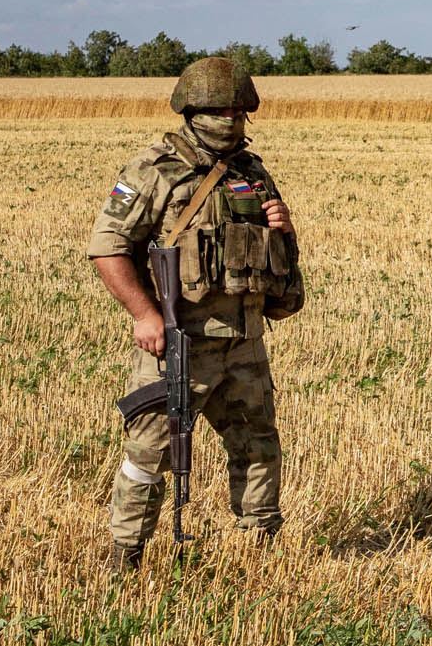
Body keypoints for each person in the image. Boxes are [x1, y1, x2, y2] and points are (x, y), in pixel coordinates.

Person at [87, 57, 304, 570]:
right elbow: (108, 246)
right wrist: (144, 315)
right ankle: (125, 557)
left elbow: (275, 264)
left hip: (244, 340)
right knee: (149, 458)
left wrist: (284, 228)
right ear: (190, 110)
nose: (228, 118)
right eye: (215, 109)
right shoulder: (153, 169)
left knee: (258, 449)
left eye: (236, 109)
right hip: (181, 342)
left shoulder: (252, 172)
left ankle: (261, 550)